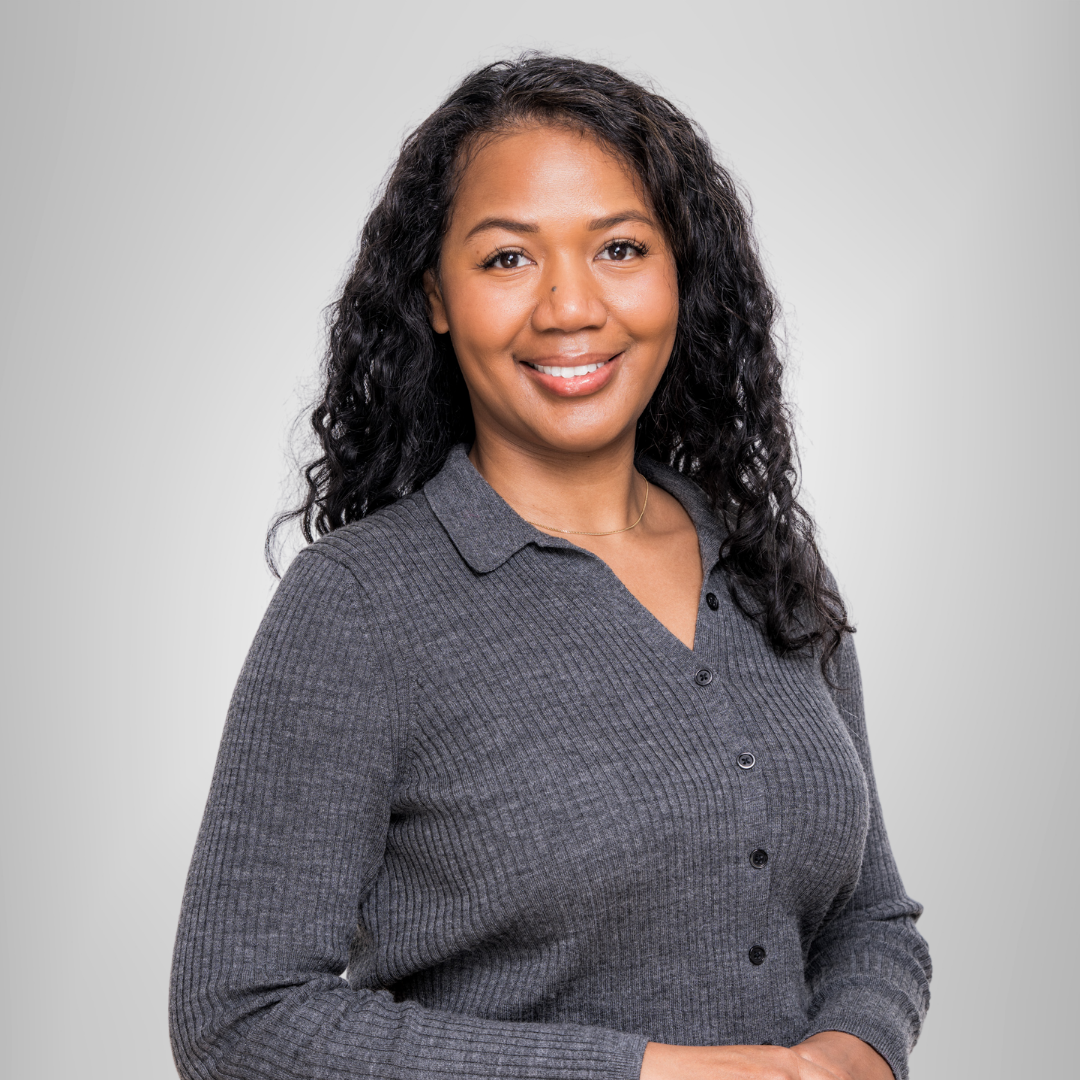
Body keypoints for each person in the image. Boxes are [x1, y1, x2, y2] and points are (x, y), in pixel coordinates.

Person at [169, 54, 931, 1080]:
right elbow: (240, 1021)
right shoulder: (360, 605)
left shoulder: (764, 557)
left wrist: (845, 1057)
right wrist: (649, 1074)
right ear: (435, 295)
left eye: (619, 247)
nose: (571, 307)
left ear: (677, 275)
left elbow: (871, 917)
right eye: (507, 260)